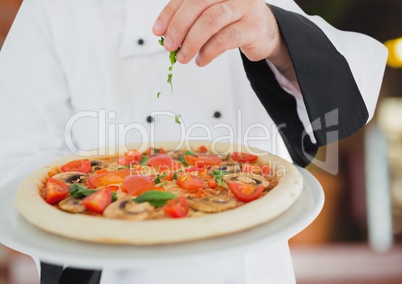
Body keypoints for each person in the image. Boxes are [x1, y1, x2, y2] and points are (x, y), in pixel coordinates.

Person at [0, 0, 387, 283]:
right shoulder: (50, 10)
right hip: (111, 272)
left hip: (247, 271)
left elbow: (347, 92)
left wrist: (275, 36)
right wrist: (98, 204)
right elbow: (16, 158)